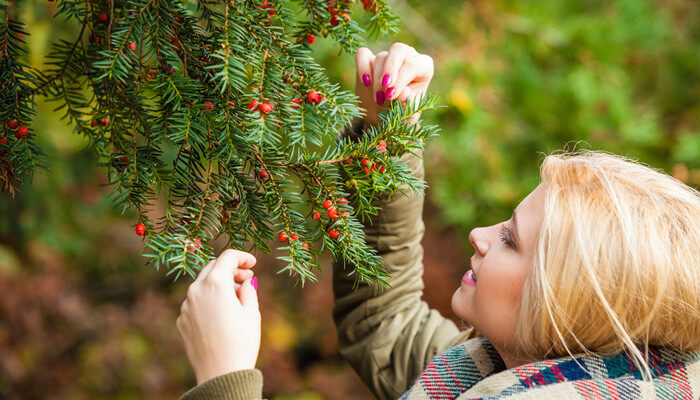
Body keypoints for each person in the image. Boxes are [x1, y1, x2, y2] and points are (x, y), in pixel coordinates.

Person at [176, 43, 700, 400]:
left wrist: (224, 376)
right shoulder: (508, 366)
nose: (480, 234)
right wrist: (389, 139)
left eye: (511, 240)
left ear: (563, 307)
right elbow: (385, 325)